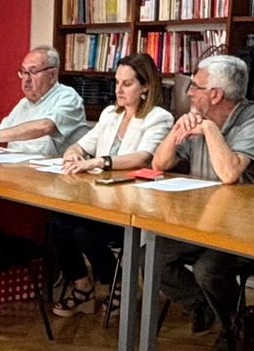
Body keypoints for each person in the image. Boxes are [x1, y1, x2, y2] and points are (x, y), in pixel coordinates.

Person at [149, 53, 254, 350]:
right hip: (205, 220)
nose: (189, 93)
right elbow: (159, 164)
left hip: (249, 227)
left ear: (216, 94)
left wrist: (209, 129)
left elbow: (229, 173)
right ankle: (203, 307)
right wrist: (177, 130)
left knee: (208, 269)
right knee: (153, 254)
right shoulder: (196, 116)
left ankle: (234, 326)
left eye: (196, 86)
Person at [48, 53, 175, 317]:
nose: (118, 90)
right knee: (56, 222)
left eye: (127, 84)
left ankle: (117, 283)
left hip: (132, 204)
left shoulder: (158, 118)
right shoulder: (110, 114)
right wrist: (73, 153)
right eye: (117, 82)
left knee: (84, 234)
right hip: (98, 198)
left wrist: (99, 162)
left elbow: (143, 157)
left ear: (146, 86)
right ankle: (83, 287)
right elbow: (81, 145)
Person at [0, 46, 86, 157]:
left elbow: (46, 126)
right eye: (23, 72)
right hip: (17, 167)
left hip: (53, 170)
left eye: (33, 72)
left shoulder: (68, 97)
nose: (26, 79)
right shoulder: (23, 103)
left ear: (52, 75)